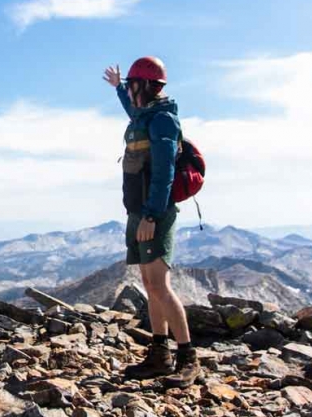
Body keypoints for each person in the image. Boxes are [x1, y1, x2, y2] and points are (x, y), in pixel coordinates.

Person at [103, 57, 201, 387]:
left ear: (144, 86)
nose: (130, 91)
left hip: (154, 213)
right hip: (139, 210)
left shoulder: (162, 121)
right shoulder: (145, 116)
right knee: (149, 284)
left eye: (132, 85)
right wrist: (117, 88)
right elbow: (132, 112)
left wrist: (150, 215)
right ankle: (160, 355)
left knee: (159, 285)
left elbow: (164, 173)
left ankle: (188, 358)